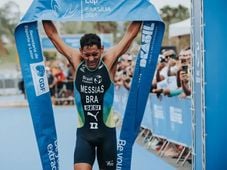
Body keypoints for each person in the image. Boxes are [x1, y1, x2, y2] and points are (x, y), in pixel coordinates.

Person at [42, 20, 141, 170]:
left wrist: (141, 10)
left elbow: (130, 34)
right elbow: (53, 35)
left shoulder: (109, 59)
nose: (91, 59)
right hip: (84, 135)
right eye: (87, 55)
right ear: (81, 51)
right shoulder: (76, 60)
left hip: (107, 135)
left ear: (101, 49)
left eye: (95, 54)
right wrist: (43, 12)